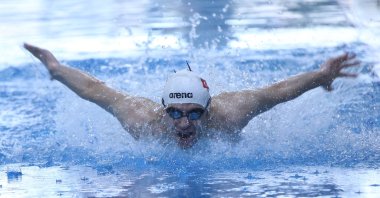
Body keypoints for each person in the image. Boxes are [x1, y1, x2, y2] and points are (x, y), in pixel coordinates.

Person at [24, 43, 360, 148]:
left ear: (208, 109)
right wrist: (56, 68)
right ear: (163, 108)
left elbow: (277, 92)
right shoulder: (141, 118)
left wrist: (320, 76)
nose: (184, 123)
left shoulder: (231, 113)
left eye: (194, 113)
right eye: (175, 113)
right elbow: (96, 90)